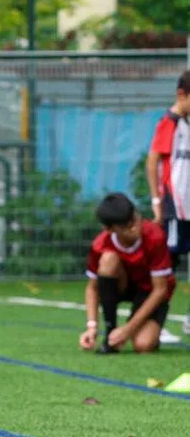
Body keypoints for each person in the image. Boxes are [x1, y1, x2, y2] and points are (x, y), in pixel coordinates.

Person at [80, 192, 173, 355]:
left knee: (143, 345)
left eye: (135, 219)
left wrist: (128, 329)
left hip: (150, 291)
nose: (135, 228)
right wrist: (91, 326)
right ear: (109, 229)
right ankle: (110, 331)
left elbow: (160, 289)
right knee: (108, 260)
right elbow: (92, 288)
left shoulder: (155, 236)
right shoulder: (100, 245)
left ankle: (140, 327)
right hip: (122, 285)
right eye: (127, 226)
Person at [145, 70, 190, 338]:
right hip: (176, 208)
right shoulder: (169, 123)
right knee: (167, 266)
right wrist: (156, 201)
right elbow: (152, 162)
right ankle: (154, 323)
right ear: (181, 95)